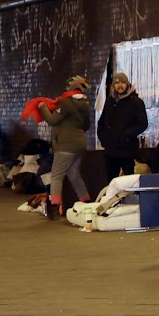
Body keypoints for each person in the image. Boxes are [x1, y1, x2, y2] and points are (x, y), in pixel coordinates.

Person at [42, 76, 94, 221]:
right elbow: (87, 126)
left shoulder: (66, 103)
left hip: (66, 145)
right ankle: (87, 203)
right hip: (79, 144)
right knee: (74, 174)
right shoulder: (85, 104)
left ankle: (54, 207)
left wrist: (43, 108)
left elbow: (52, 120)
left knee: (57, 175)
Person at [97, 72, 149, 180]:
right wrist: (103, 138)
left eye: (122, 83)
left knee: (129, 181)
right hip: (111, 150)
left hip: (127, 150)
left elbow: (142, 124)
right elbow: (102, 121)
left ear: (127, 84)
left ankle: (130, 198)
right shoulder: (110, 101)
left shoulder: (136, 102)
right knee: (111, 181)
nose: (120, 85)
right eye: (117, 83)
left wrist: (126, 135)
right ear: (113, 86)